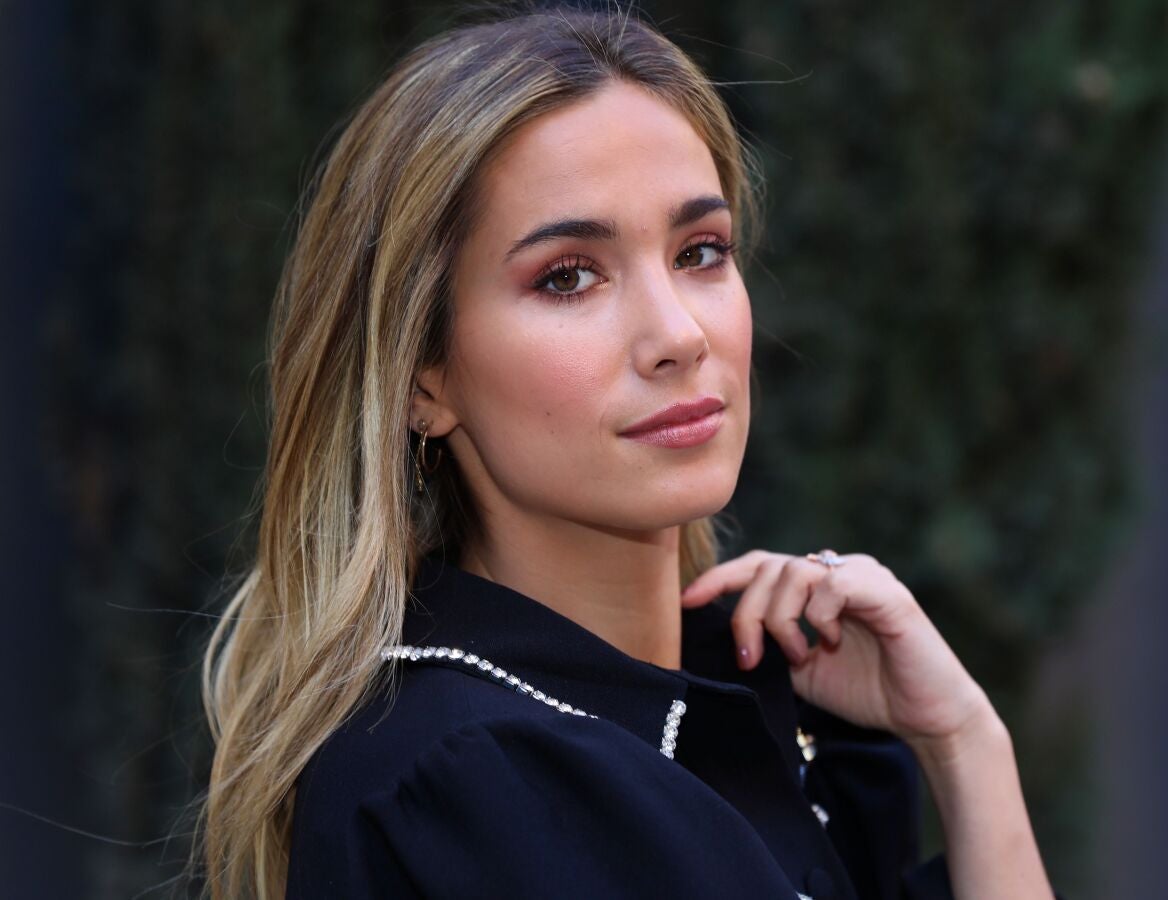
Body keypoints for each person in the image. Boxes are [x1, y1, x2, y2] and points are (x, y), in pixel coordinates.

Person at [193, 6, 1057, 899]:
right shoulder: (475, 780)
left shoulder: (782, 717)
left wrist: (965, 741)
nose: (678, 336)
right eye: (568, 276)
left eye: (701, 252)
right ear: (423, 377)